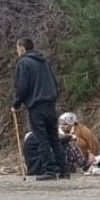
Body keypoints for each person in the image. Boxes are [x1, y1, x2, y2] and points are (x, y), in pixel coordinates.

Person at [11, 38, 68, 181]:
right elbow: (54, 83)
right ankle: (64, 170)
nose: (17, 51)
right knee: (54, 138)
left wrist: (16, 104)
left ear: (22, 48)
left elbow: (22, 87)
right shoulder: (44, 61)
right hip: (50, 104)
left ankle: (49, 171)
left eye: (17, 48)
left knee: (42, 139)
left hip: (36, 106)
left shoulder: (24, 63)